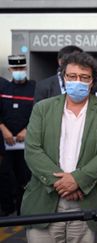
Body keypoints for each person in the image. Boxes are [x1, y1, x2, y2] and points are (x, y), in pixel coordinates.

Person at [22, 52, 97, 243]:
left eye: (84, 77)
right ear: (63, 77)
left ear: (92, 81)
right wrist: (61, 183)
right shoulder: (43, 108)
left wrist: (78, 180)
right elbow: (32, 149)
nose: (78, 81)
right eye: (72, 76)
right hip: (45, 198)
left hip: (89, 201)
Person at [0, 55, 35, 216]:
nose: (19, 71)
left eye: (21, 68)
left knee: (25, 178)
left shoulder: (34, 88)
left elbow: (39, 112)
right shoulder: (4, 88)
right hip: (5, 142)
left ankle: (23, 210)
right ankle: (7, 209)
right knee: (5, 175)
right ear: (10, 70)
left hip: (26, 143)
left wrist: (27, 129)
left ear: (26, 68)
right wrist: (3, 128)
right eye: (15, 69)